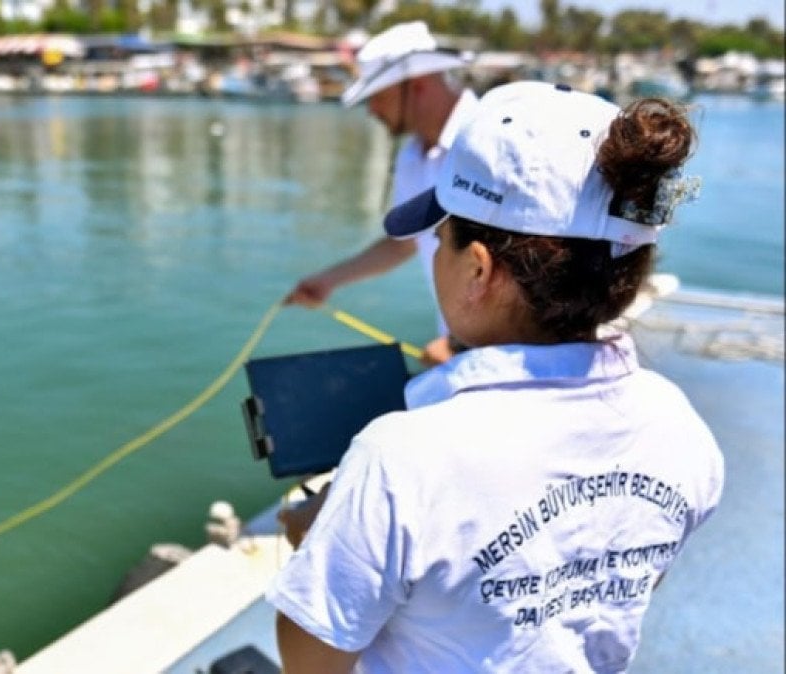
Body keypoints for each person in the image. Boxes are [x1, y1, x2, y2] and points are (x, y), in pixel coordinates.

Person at [267, 81, 724, 673]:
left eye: (439, 239)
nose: (434, 253)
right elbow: (624, 583)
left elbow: (311, 663)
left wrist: (321, 539)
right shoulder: (679, 427)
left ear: (477, 269)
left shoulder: (401, 460)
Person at [286, 20, 478, 366]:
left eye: (377, 96)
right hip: (460, 356)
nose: (371, 110)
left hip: (504, 361)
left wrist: (459, 346)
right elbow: (405, 241)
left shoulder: (489, 140)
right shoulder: (412, 156)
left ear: (416, 85)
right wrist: (329, 280)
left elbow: (527, 263)